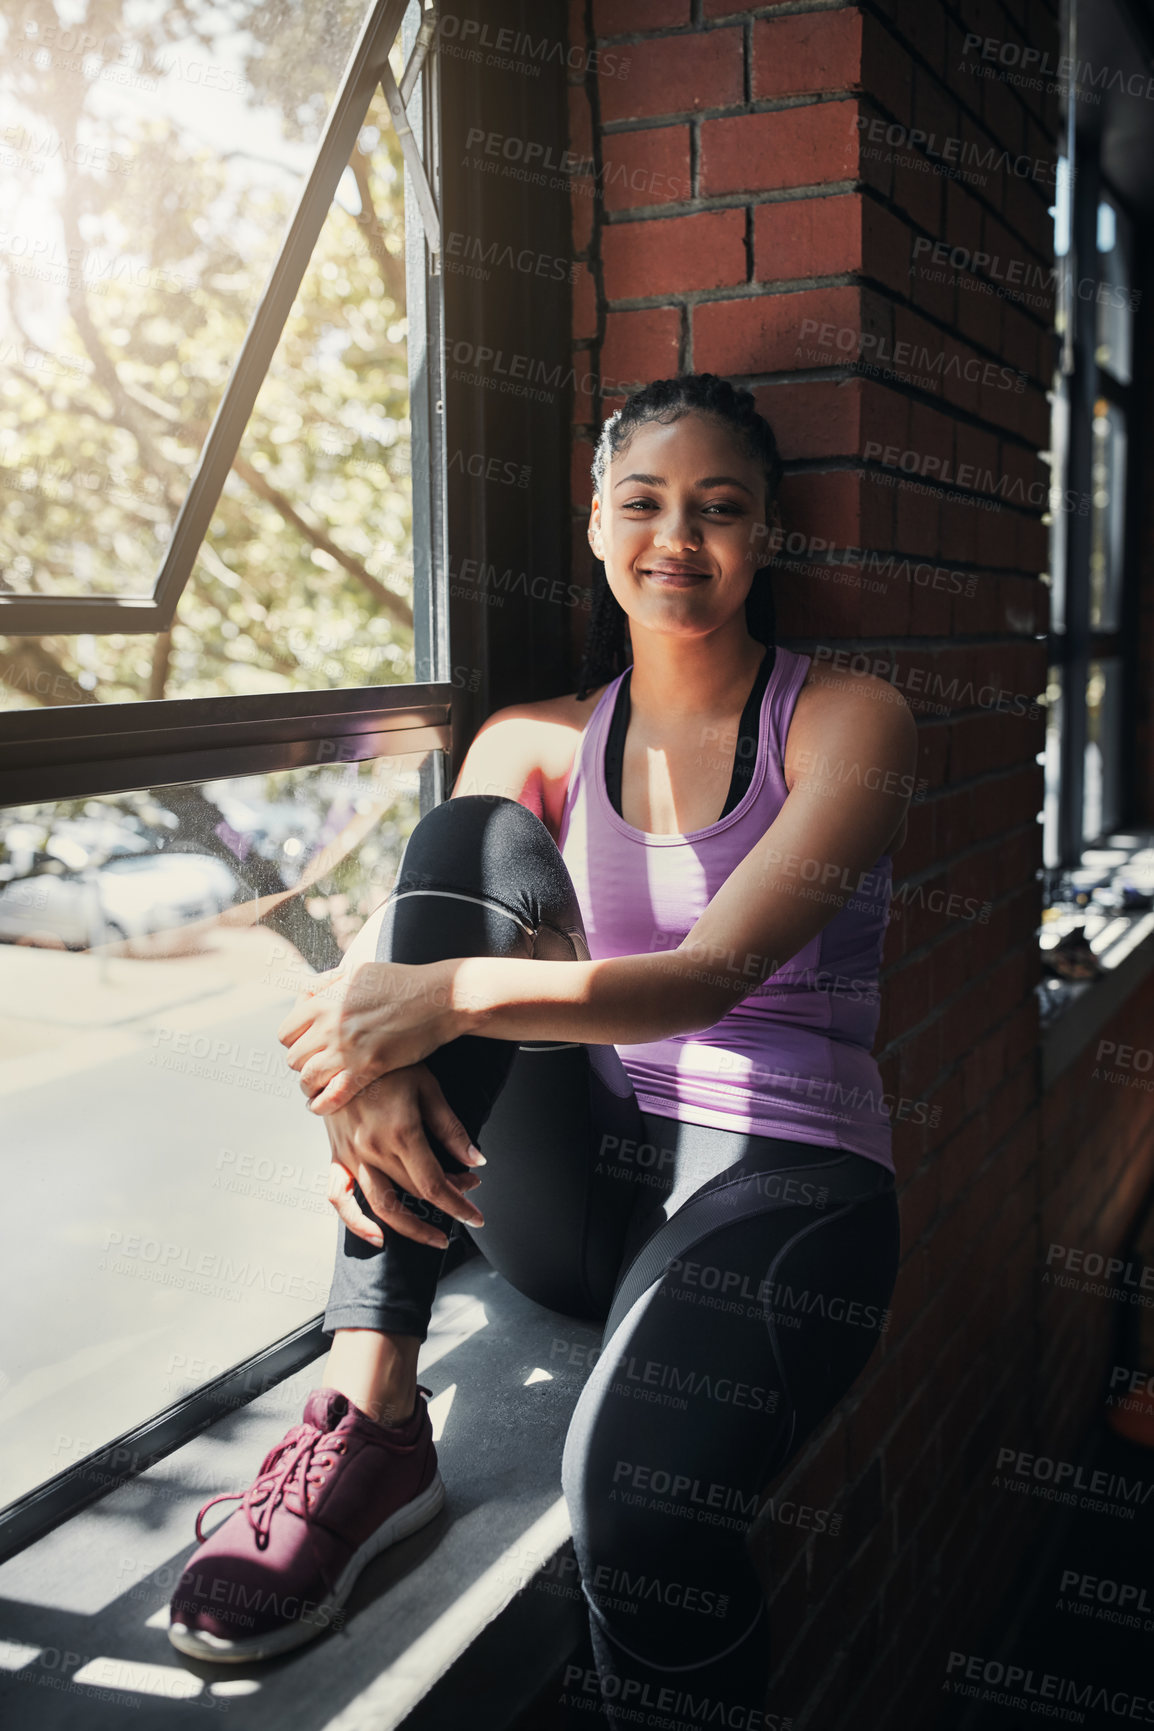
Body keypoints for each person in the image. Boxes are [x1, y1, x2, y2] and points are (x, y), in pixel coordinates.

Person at [169, 373, 915, 1729]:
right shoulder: (536, 740)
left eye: (719, 508)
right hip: (575, 1190)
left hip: (780, 1185)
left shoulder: (844, 721)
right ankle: (372, 1420)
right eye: (642, 503)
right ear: (593, 525)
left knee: (634, 1523)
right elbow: (398, 957)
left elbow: (703, 979)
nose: (675, 539)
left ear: (769, 536)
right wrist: (375, 1060)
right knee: (459, 844)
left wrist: (436, 1000)